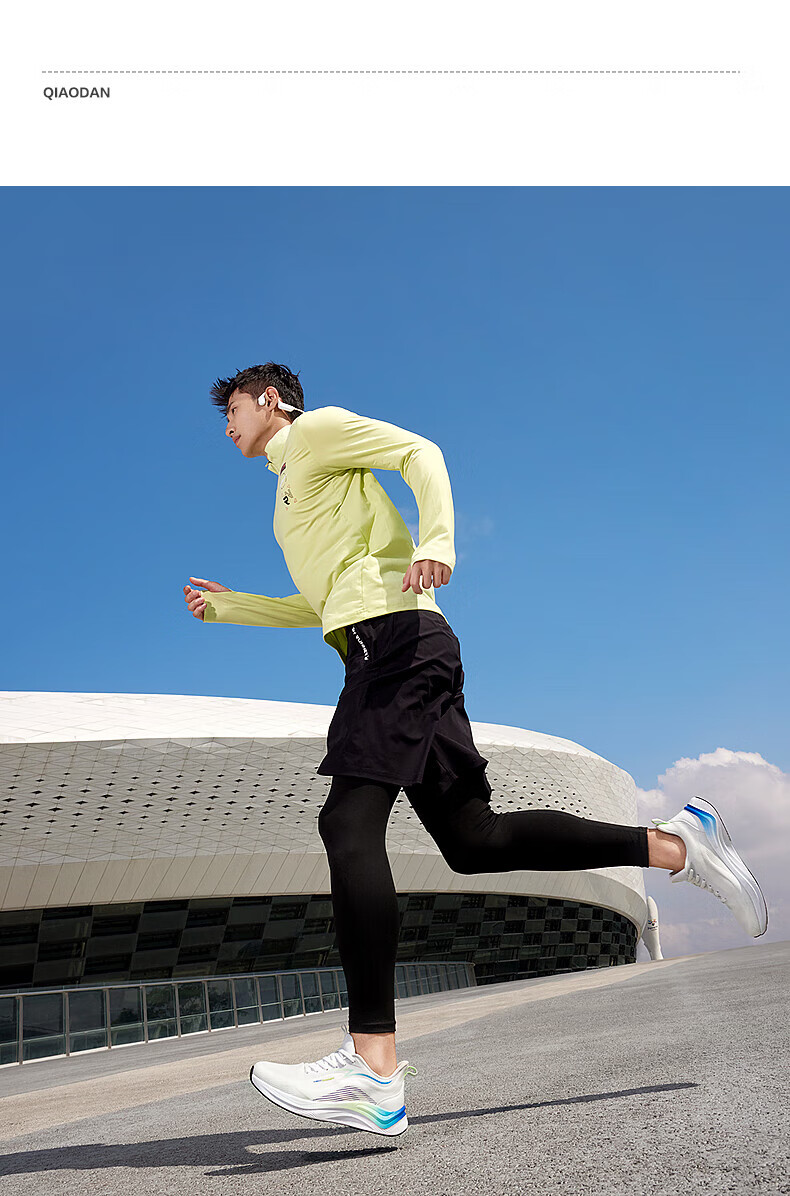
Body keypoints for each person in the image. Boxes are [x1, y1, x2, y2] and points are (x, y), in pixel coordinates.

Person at [183, 361, 768, 1138]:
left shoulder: (316, 432)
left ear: (270, 401)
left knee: (347, 823)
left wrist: (437, 541)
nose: (227, 425)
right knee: (474, 840)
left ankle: (374, 1069)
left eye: (232, 409)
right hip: (392, 644)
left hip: (395, 644)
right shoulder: (288, 489)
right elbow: (318, 602)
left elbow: (419, 452)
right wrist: (233, 608)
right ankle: (677, 844)